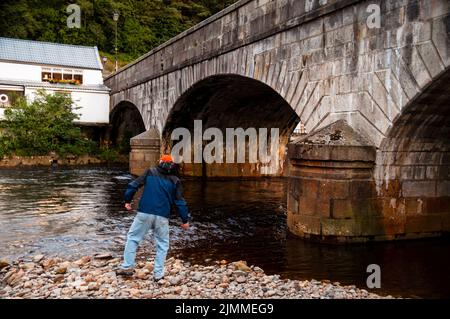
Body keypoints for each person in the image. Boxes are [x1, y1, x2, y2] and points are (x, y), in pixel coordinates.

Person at [116, 154, 190, 281]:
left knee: (133, 238)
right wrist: (185, 220)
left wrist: (127, 200)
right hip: (162, 217)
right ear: (172, 166)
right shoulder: (175, 180)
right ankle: (158, 275)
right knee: (162, 245)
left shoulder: (150, 172)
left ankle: (127, 267)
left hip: (144, 213)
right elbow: (180, 202)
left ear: (160, 162)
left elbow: (133, 185)